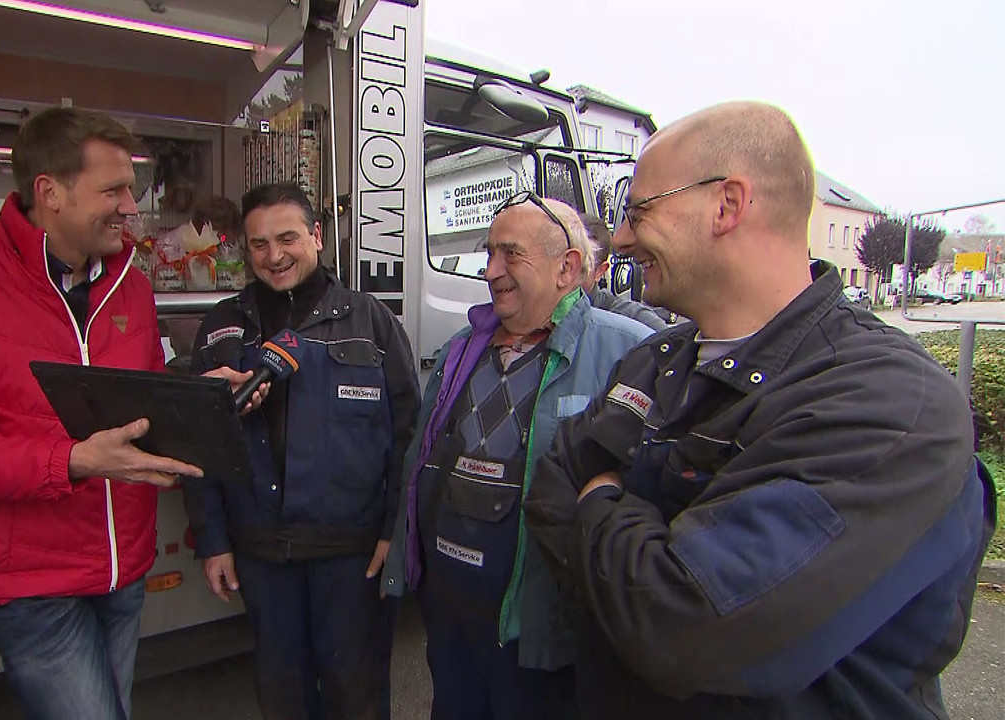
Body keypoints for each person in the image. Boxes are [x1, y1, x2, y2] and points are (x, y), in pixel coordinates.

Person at [524, 101, 995, 719]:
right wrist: (638, 551)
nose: (621, 237)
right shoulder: (658, 357)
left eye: (640, 210)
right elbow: (548, 488)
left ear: (727, 205)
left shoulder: (890, 399)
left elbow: (682, 628)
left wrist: (598, 497)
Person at [0, 106, 256, 720]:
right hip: (28, 575)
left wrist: (195, 392)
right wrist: (74, 461)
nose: (132, 207)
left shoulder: (127, 282)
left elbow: (135, 393)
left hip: (120, 560)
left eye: (130, 189)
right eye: (113, 190)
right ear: (48, 193)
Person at [381, 192, 653, 719]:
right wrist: (398, 548)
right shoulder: (466, 346)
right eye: (488, 254)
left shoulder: (630, 350)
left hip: (540, 629)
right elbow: (420, 456)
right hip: (451, 614)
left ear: (566, 268)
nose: (490, 271)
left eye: (510, 254)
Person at [184, 182, 421, 720]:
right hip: (263, 555)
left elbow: (409, 436)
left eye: (287, 237)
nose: (275, 256)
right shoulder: (223, 326)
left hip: (353, 555)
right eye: (259, 244)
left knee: (355, 696)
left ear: (317, 236)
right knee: (283, 699)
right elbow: (199, 444)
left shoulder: (371, 322)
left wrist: (395, 531)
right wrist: (214, 540)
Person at [577, 211, 669, 330]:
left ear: (600, 271)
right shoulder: (546, 315)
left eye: (580, 267)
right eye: (563, 263)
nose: (566, 277)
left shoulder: (633, 320)